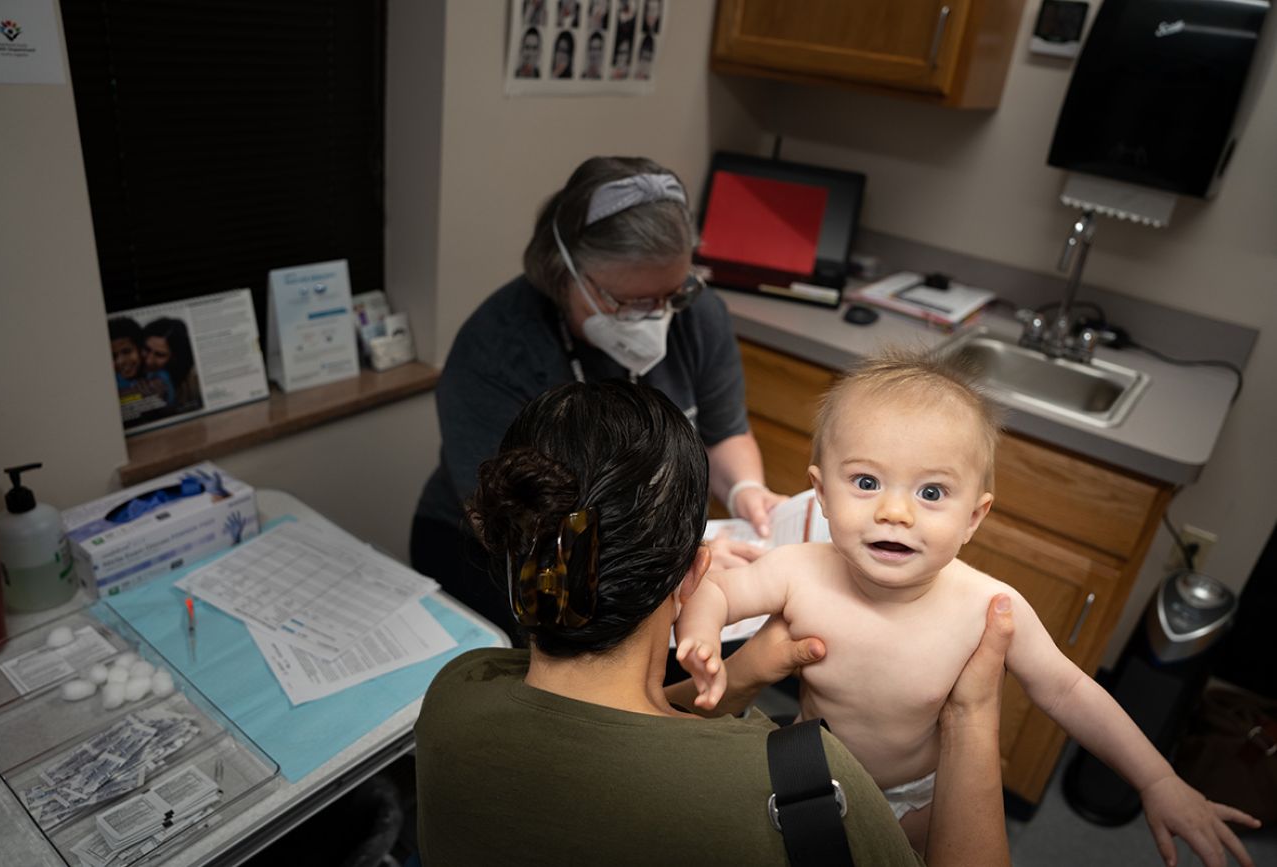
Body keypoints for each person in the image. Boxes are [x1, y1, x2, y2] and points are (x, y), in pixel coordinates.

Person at [675, 351, 1262, 864]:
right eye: (866, 482)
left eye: (931, 492)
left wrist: (1157, 779)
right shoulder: (800, 570)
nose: (896, 512)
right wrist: (700, 637)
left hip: (924, 797)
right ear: (821, 492)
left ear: (974, 518)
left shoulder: (986, 607)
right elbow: (720, 590)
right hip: (814, 767)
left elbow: (1069, 690)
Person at [415, 380, 1016, 866]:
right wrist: (972, 713)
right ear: (694, 573)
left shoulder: (458, 693)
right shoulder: (806, 790)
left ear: (524, 547)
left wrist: (742, 677)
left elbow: (603, 720)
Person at [411, 156, 784, 641]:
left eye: (671, 295)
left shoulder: (698, 316)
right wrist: (684, 554)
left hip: (650, 551)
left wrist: (746, 492)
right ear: (563, 271)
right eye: (629, 303)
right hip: (502, 550)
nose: (656, 318)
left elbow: (725, 429)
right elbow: (514, 524)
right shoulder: (497, 348)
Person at [141, 317, 202, 415]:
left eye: (160, 355)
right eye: (146, 349)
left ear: (174, 358)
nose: (149, 361)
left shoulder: (191, 383)